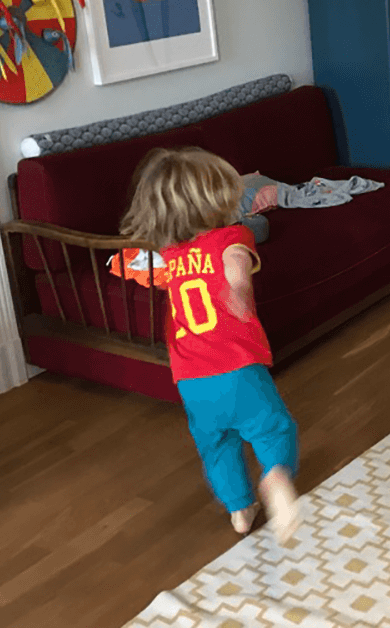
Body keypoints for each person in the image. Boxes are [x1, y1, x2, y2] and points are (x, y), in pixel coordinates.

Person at [120, 146, 300, 542]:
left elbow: (144, 269)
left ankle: (239, 509)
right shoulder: (234, 236)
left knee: (217, 444)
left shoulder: (168, 254)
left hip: (190, 377)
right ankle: (275, 478)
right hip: (237, 366)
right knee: (272, 429)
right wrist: (238, 290)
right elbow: (236, 268)